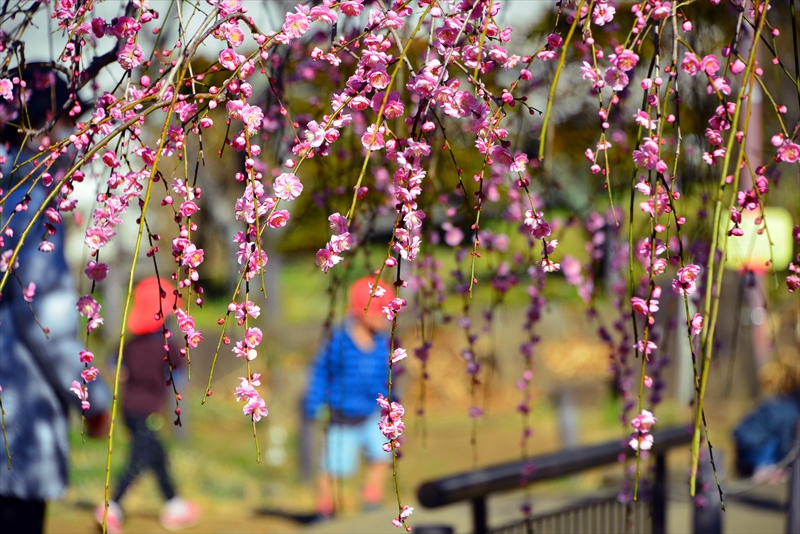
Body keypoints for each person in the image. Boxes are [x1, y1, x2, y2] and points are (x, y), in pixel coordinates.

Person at [0, 68, 111, 533]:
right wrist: (91, 394)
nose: (74, 138)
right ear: (42, 125)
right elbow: (44, 317)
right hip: (16, 412)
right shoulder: (27, 199)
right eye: (68, 124)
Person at [94, 276, 200, 532]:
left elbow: (113, 366)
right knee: (139, 459)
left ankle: (174, 503)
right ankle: (112, 506)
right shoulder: (167, 345)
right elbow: (177, 374)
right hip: (150, 411)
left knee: (157, 457)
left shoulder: (129, 344)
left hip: (129, 410)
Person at [302, 275, 398, 518]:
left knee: (383, 452)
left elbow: (389, 376)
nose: (384, 319)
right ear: (360, 311)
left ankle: (372, 495)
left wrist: (393, 403)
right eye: (379, 313)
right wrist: (314, 403)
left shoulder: (383, 344)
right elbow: (320, 371)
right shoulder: (339, 341)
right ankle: (325, 506)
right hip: (342, 416)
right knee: (334, 465)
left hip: (372, 413)